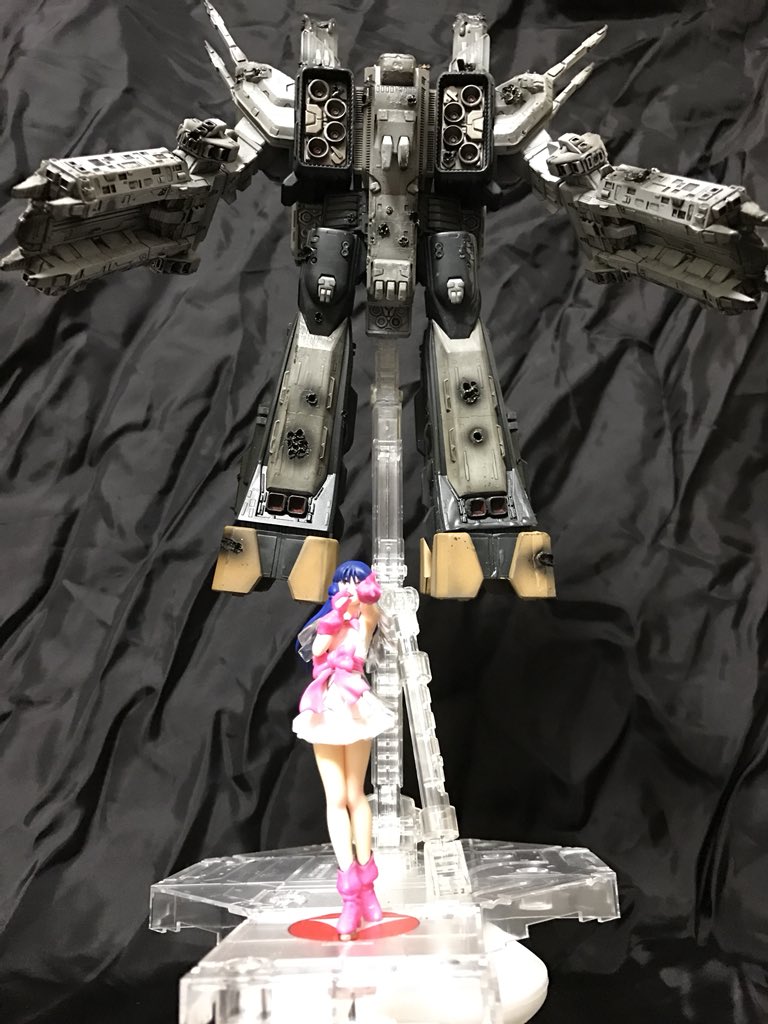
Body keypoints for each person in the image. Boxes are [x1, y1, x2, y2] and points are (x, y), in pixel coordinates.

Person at [293, 560, 395, 939]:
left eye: (356, 583)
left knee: (355, 794)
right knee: (335, 798)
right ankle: (349, 891)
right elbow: (318, 648)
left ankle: (368, 884)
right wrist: (335, 615)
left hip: (355, 705)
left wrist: (364, 594)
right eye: (345, 583)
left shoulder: (365, 621)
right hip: (326, 707)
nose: (350, 590)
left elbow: (372, 616)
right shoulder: (330, 621)